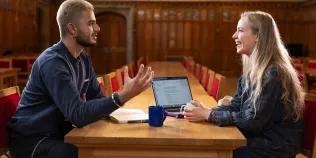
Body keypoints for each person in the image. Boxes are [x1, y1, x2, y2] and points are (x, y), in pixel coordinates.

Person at [8, 0, 154, 158]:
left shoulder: (83, 58)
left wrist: (121, 97)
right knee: (89, 153)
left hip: (60, 133)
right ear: (72, 28)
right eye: (91, 23)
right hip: (33, 139)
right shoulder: (53, 62)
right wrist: (122, 95)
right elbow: (77, 114)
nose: (97, 29)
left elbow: (97, 99)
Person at [183, 11, 304, 158]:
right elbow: (236, 105)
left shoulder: (273, 74)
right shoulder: (254, 70)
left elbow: (253, 121)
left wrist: (209, 115)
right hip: (256, 141)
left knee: (205, 152)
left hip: (271, 150)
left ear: (258, 37)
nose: (234, 36)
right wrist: (207, 111)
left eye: (240, 30)